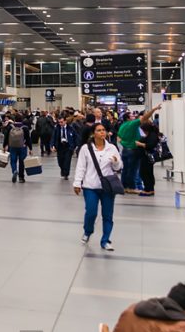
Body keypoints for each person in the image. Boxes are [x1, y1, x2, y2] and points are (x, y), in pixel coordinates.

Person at [74, 122, 122, 252]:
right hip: (90, 186)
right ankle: (88, 231)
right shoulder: (86, 148)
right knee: (91, 212)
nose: (102, 132)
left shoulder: (111, 148)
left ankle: (105, 240)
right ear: (93, 133)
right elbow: (81, 166)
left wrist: (116, 162)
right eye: (99, 130)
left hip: (107, 187)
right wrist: (77, 183)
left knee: (107, 215)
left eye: (103, 130)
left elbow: (119, 167)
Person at [118, 105, 159, 194]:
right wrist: (154, 109)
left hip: (125, 150)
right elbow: (145, 117)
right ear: (128, 119)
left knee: (125, 169)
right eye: (132, 115)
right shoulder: (132, 124)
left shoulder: (122, 126)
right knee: (132, 170)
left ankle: (124, 186)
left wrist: (124, 143)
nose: (134, 116)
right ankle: (131, 187)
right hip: (133, 150)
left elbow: (119, 138)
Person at [138, 120, 160, 197]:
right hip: (146, 157)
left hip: (148, 157)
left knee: (145, 173)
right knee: (146, 173)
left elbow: (150, 145)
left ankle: (149, 189)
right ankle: (148, 188)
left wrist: (140, 144)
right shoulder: (150, 134)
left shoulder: (152, 135)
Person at [53, 115, 77, 180]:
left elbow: (76, 137)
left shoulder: (71, 128)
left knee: (67, 161)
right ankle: (62, 169)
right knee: (60, 161)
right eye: (59, 122)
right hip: (60, 147)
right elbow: (53, 137)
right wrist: (52, 145)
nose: (60, 124)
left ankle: (66, 174)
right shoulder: (56, 128)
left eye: (62, 122)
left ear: (65, 121)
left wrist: (75, 146)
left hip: (68, 147)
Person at [7, 118, 30, 183]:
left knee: (13, 160)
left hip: (12, 147)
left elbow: (6, 137)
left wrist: (4, 146)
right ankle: (21, 178)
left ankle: (14, 170)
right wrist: (30, 148)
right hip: (22, 147)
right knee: (22, 162)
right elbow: (28, 139)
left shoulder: (10, 127)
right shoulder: (25, 128)